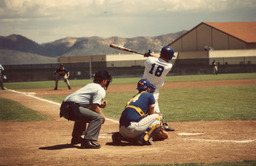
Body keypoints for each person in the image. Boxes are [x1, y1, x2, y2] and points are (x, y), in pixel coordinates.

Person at [60, 70, 112, 149]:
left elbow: (90, 105)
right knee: (99, 118)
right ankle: (88, 141)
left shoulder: (90, 85)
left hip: (64, 108)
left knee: (84, 113)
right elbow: (95, 107)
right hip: (72, 108)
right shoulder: (100, 89)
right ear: (104, 81)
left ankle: (76, 138)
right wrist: (102, 117)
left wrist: (100, 105)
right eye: (107, 80)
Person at [112, 79, 165, 145]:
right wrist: (159, 128)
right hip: (132, 129)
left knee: (141, 121)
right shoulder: (150, 95)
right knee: (159, 117)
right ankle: (144, 138)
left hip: (121, 130)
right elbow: (152, 114)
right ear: (148, 89)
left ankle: (121, 136)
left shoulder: (134, 97)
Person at [142, 46, 175, 131]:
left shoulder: (149, 60)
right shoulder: (168, 66)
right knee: (155, 109)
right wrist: (151, 54)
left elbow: (157, 59)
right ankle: (160, 125)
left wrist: (149, 55)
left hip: (142, 88)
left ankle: (155, 124)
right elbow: (161, 60)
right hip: (153, 91)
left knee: (142, 106)